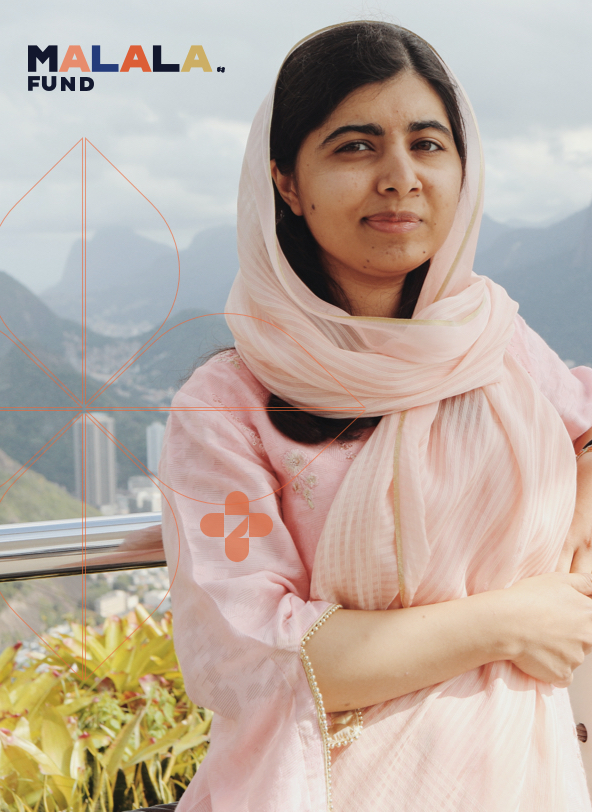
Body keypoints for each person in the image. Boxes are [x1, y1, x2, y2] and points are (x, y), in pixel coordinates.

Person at [158, 20, 592, 811]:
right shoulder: (225, 409)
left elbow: (587, 424)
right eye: (356, 147)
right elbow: (259, 650)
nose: (400, 177)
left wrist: (578, 541)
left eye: (428, 144)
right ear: (287, 181)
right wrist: (511, 621)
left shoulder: (492, 341)